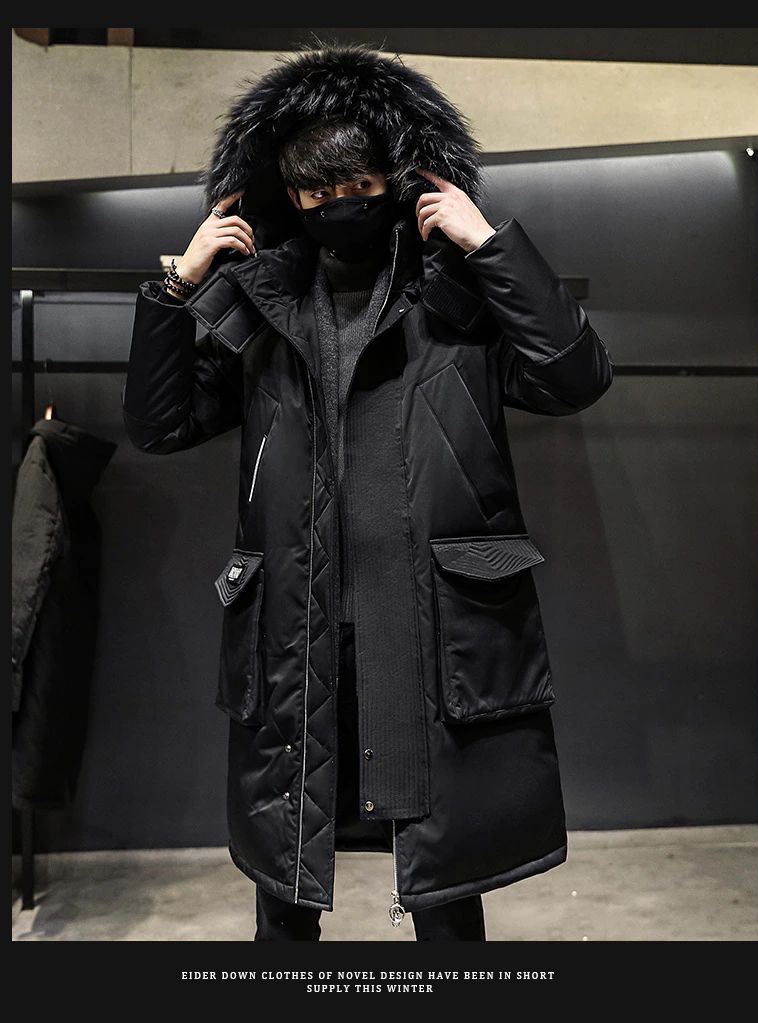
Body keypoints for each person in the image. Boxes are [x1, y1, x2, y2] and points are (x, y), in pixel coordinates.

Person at [122, 42, 614, 942]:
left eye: (358, 183)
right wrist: (175, 285)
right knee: (285, 892)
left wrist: (489, 245)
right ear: (286, 194)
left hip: (430, 628)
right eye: (316, 191)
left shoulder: (457, 305)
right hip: (295, 631)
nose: (338, 204)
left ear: (400, 178)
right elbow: (158, 424)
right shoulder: (262, 310)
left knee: (446, 894)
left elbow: (575, 375)